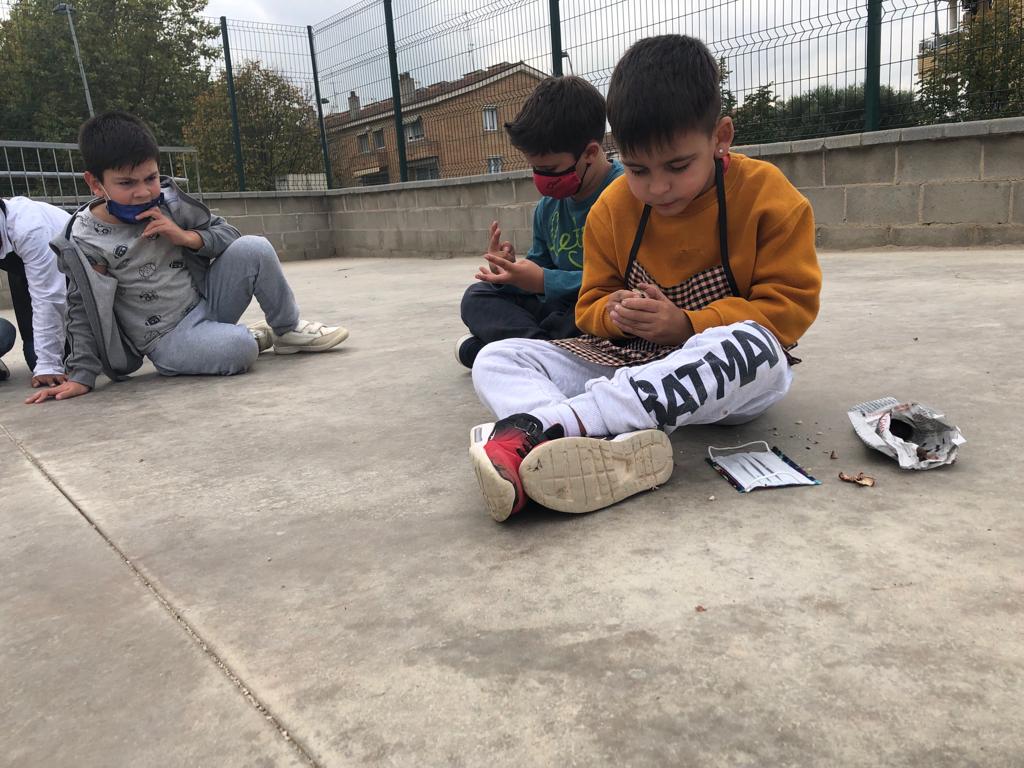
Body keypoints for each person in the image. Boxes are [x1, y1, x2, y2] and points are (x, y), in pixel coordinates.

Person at [468, 35, 822, 521]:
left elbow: (789, 312)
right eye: (637, 169)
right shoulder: (612, 208)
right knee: (497, 357)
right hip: (629, 360)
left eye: (678, 166)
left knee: (758, 347)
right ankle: (599, 446)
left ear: (720, 137)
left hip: (719, 383)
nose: (657, 187)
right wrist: (615, 312)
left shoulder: (768, 197)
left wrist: (686, 325)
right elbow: (589, 303)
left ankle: (552, 428)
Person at [26, 111, 348, 404]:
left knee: (255, 247)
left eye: (150, 178)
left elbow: (228, 235)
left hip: (207, 301)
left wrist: (185, 237)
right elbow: (83, 308)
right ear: (95, 183)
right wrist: (81, 375)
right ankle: (239, 338)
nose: (143, 192)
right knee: (241, 349)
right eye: (126, 183)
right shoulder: (86, 238)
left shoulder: (170, 203)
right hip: (167, 338)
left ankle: (286, 330)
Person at [455, 75, 623, 368]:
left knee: (610, 316)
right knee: (477, 297)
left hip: (594, 307)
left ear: (590, 153)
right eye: (534, 168)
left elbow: (623, 279)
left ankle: (507, 351)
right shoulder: (549, 205)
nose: (541, 179)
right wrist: (511, 272)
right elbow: (540, 265)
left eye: (550, 169)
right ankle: (546, 353)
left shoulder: (623, 195)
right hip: (555, 310)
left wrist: (544, 280)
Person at [0, 197, 70, 386]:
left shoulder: (30, 227)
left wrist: (48, 365)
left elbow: (49, 296)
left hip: (73, 276)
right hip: (26, 274)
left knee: (45, 362)